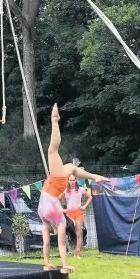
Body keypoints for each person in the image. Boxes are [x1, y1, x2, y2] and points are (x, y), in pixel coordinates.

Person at [38, 104, 109, 270]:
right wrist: (64, 265)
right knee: (59, 158)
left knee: (60, 158)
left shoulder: (45, 219)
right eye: (56, 232)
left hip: (53, 184)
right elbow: (60, 244)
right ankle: (55, 121)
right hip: (56, 182)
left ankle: (55, 121)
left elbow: (47, 243)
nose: (55, 233)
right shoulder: (59, 220)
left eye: (54, 232)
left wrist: (47, 263)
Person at [61, 174, 92, 258]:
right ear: (68, 181)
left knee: (79, 233)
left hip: (79, 213)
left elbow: (90, 197)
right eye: (70, 180)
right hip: (69, 214)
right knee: (70, 231)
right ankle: (69, 249)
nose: (72, 182)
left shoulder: (81, 190)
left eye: (73, 180)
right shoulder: (65, 191)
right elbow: (57, 199)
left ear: (76, 180)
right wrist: (62, 209)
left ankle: (76, 254)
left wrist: (84, 206)